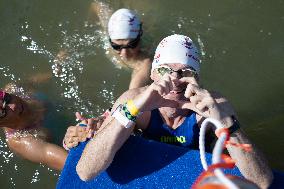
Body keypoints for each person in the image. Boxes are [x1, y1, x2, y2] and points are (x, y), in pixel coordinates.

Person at [64, 34, 273, 188]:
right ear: (153, 74)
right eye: (165, 71)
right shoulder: (135, 101)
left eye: (185, 72)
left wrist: (228, 124)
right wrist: (133, 110)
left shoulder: (211, 105)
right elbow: (85, 172)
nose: (174, 79)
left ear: (196, 78)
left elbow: (262, 182)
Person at [0, 84, 68, 170]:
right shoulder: (26, 141)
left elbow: (34, 80)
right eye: (2, 112)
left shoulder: (13, 89)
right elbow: (74, 166)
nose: (13, 106)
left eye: (7, 99)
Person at [90, 3, 152, 89]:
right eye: (116, 46)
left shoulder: (144, 62)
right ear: (110, 39)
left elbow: (133, 94)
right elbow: (96, 5)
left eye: (131, 45)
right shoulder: (108, 28)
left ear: (139, 37)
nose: (124, 54)